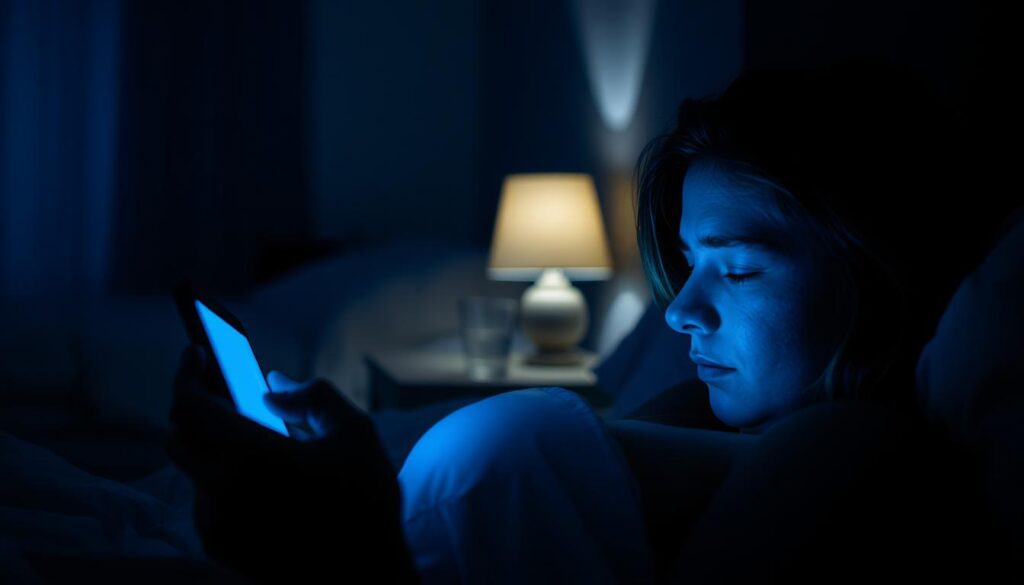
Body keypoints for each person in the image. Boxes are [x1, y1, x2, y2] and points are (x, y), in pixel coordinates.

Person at [166, 57, 1014, 583]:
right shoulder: (705, 414)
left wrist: (349, 547)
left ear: (879, 276)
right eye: (688, 264)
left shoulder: (857, 458)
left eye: (741, 267)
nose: (682, 310)